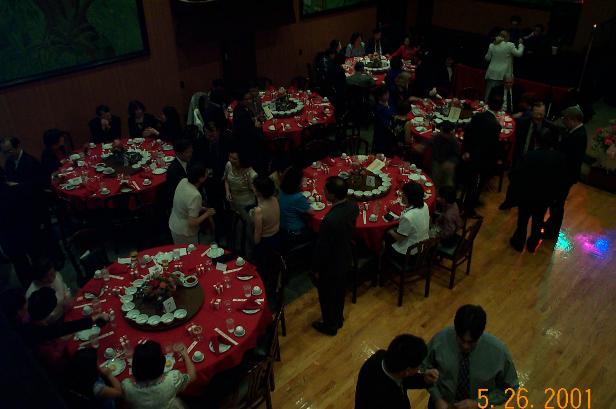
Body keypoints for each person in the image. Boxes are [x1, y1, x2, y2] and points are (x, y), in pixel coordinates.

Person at [425, 305, 519, 409]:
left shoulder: (499, 353)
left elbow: (510, 388)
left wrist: (479, 403)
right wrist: (437, 397)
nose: (465, 346)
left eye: (471, 342)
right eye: (461, 340)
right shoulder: (440, 341)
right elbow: (425, 367)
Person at [311, 176, 359, 336]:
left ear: (332, 195)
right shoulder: (353, 206)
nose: (323, 192)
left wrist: (316, 269)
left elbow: (321, 248)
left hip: (331, 264)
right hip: (345, 256)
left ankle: (330, 326)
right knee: (339, 292)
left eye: (325, 190)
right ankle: (338, 318)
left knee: (326, 296)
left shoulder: (330, 220)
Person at [509, 128, 566, 252]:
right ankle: (532, 244)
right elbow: (560, 179)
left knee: (523, 220)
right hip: (545, 197)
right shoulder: (560, 158)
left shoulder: (530, 156)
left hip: (527, 194)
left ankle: (519, 242)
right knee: (538, 220)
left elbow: (516, 175)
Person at [355, 334, 439, 409]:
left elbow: (403, 380)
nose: (419, 369)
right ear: (407, 371)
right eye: (418, 366)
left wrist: (423, 379)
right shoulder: (390, 401)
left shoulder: (381, 357)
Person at [543, 106, 587, 239]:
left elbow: (566, 156)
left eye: (566, 119)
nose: (563, 122)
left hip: (565, 176)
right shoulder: (577, 132)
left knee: (557, 204)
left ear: (573, 120)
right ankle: (551, 226)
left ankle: (552, 231)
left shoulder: (578, 136)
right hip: (566, 175)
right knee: (557, 203)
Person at [500, 101, 553, 209]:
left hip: (537, 163)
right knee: (514, 182)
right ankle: (509, 202)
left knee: (530, 186)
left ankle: (523, 204)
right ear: (531, 112)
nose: (539, 117)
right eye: (537, 113)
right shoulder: (521, 122)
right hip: (521, 158)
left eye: (541, 114)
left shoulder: (550, 127)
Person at [461, 91, 504, 215]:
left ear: (488, 104)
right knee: (478, 184)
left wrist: (466, 150)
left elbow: (467, 133)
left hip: (471, 155)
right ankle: (469, 208)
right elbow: (493, 146)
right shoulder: (496, 125)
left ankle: (467, 203)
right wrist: (498, 159)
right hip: (483, 159)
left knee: (472, 182)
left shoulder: (477, 116)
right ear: (500, 108)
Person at [122, 341, 196, 409]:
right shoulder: (172, 378)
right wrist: (185, 354)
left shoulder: (127, 386)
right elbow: (192, 377)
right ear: (162, 363)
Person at [168, 162, 215, 245]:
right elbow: (192, 223)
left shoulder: (183, 181)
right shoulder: (195, 195)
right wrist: (207, 213)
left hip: (174, 223)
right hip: (184, 231)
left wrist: (201, 208)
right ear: (201, 179)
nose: (207, 174)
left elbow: (185, 204)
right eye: (206, 173)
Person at [385, 182, 430, 265]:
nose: (402, 195)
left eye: (403, 193)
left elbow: (400, 238)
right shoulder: (425, 205)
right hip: (422, 245)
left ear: (407, 197)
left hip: (408, 254)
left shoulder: (408, 217)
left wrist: (390, 231)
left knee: (385, 238)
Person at [25, 259, 72, 324]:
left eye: (52, 274)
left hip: (66, 312)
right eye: (45, 277)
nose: (51, 279)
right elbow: (38, 320)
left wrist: (67, 298)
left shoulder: (56, 274)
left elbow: (65, 289)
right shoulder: (32, 294)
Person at [278, 166, 315, 246]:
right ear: (296, 182)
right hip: (295, 233)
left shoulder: (282, 191)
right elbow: (312, 212)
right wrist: (309, 202)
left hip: (283, 227)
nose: (304, 179)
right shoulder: (298, 197)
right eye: (302, 178)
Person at [484, 31, 524, 101]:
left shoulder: (492, 45)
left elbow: (487, 58)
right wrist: (521, 44)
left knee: (488, 93)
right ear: (508, 37)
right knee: (501, 94)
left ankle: (485, 105)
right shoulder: (510, 45)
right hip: (504, 74)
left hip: (492, 72)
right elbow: (519, 54)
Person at [224, 149, 258, 214]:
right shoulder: (228, 165)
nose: (231, 160)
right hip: (234, 202)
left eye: (234, 159)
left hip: (247, 204)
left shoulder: (251, 173)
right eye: (230, 157)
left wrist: (249, 182)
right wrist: (227, 192)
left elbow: (256, 192)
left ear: (242, 160)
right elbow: (226, 180)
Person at [166, 138, 193, 210]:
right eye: (187, 152)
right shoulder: (173, 172)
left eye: (191, 151)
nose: (190, 154)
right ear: (178, 153)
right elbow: (174, 195)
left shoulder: (188, 160)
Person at [430, 121, 460, 187]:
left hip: (449, 164)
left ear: (441, 129)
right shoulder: (438, 137)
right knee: (435, 181)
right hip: (437, 162)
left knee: (448, 183)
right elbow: (430, 142)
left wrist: (450, 162)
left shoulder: (454, 142)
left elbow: (456, 156)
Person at [373, 86, 396, 156]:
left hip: (389, 129)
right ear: (379, 97)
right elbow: (384, 123)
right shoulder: (378, 108)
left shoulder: (388, 102)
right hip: (382, 133)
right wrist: (387, 108)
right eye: (385, 94)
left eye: (388, 93)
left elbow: (394, 111)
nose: (388, 95)